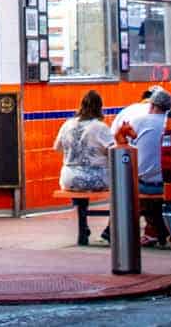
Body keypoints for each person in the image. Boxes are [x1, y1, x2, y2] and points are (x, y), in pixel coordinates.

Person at [54, 89, 114, 246]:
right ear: (99, 107)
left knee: (79, 185)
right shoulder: (100, 127)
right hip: (97, 179)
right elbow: (114, 150)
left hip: (69, 179)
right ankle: (110, 229)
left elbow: (57, 147)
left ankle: (83, 228)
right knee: (122, 186)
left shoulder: (67, 124)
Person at [133, 91, 171, 247]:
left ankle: (152, 231)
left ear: (152, 105)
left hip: (144, 184)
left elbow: (125, 147)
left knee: (135, 184)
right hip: (169, 186)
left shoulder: (138, 121)